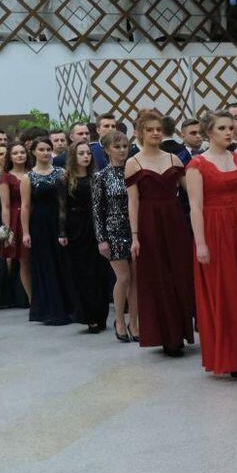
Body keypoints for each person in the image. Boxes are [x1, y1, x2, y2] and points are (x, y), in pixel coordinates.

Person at [186, 111, 237, 377]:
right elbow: (195, 207)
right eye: (222, 128)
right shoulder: (197, 165)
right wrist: (201, 243)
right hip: (214, 230)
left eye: (230, 127)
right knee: (224, 291)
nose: (229, 132)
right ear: (209, 133)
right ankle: (233, 356)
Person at [126, 111, 195, 357]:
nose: (155, 133)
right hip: (149, 223)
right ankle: (168, 336)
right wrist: (135, 236)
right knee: (158, 277)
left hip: (175, 220)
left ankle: (182, 330)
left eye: (158, 129)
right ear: (140, 133)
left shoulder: (174, 159)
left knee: (179, 274)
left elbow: (191, 193)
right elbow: (133, 202)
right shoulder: (133, 162)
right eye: (150, 130)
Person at [60, 142, 109, 333]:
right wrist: (62, 232)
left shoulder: (97, 177)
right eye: (81, 153)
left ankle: (101, 314)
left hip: (96, 226)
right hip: (75, 228)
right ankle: (89, 316)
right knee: (81, 273)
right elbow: (62, 208)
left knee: (99, 272)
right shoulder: (65, 179)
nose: (86, 156)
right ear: (74, 156)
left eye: (88, 153)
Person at [21, 139, 71, 326]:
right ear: (33, 152)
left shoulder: (62, 173)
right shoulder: (28, 177)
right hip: (40, 225)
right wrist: (26, 232)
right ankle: (50, 310)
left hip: (60, 222)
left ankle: (69, 307)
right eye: (41, 149)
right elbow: (25, 206)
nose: (46, 152)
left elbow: (66, 201)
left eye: (48, 149)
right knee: (46, 265)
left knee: (63, 263)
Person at [93, 130, 136, 342]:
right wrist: (101, 239)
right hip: (113, 231)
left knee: (136, 280)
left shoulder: (134, 172)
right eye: (117, 147)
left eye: (125, 146)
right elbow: (97, 209)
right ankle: (119, 320)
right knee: (124, 278)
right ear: (107, 150)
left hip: (135, 229)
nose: (122, 150)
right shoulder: (100, 176)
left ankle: (134, 323)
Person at [0, 142, 32, 302]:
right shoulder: (5, 177)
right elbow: (5, 206)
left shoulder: (32, 172)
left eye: (22, 152)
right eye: (16, 153)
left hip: (35, 216)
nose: (20, 155)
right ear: (10, 157)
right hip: (16, 219)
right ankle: (32, 299)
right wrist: (7, 230)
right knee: (25, 261)